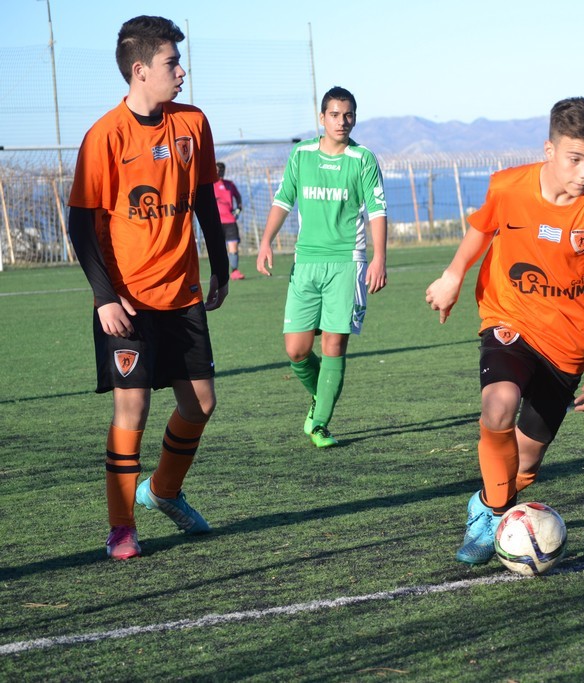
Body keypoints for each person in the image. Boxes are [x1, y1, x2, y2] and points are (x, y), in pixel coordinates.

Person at [425, 97, 584, 566]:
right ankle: (493, 517)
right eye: (575, 159)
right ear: (549, 149)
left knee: (524, 466)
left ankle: (487, 503)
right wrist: (453, 275)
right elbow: (482, 230)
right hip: (508, 317)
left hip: (567, 344)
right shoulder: (508, 187)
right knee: (498, 404)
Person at [67, 15, 229, 561]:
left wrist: (220, 266)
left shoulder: (193, 123)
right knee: (131, 410)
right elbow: (80, 225)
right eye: (171, 63)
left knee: (201, 404)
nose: (181, 73)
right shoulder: (105, 136)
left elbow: (203, 199)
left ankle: (163, 491)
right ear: (140, 70)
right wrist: (105, 297)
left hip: (182, 294)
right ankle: (121, 527)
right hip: (127, 302)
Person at [256, 86, 388, 449]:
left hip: (347, 261)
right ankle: (323, 394)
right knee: (296, 350)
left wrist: (379, 257)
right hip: (306, 262)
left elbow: (377, 210)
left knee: (333, 343)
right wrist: (266, 241)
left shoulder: (363, 159)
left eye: (348, 115)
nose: (342, 121)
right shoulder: (301, 155)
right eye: (334, 115)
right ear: (322, 118)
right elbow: (283, 200)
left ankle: (320, 424)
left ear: (354, 118)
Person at [214, 161, 245, 280]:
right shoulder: (210, 185)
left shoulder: (230, 184)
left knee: (233, 246)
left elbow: (238, 196)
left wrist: (239, 208)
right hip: (216, 222)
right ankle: (218, 272)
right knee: (218, 249)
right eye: (217, 170)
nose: (219, 172)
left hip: (230, 221)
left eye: (221, 170)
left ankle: (235, 271)